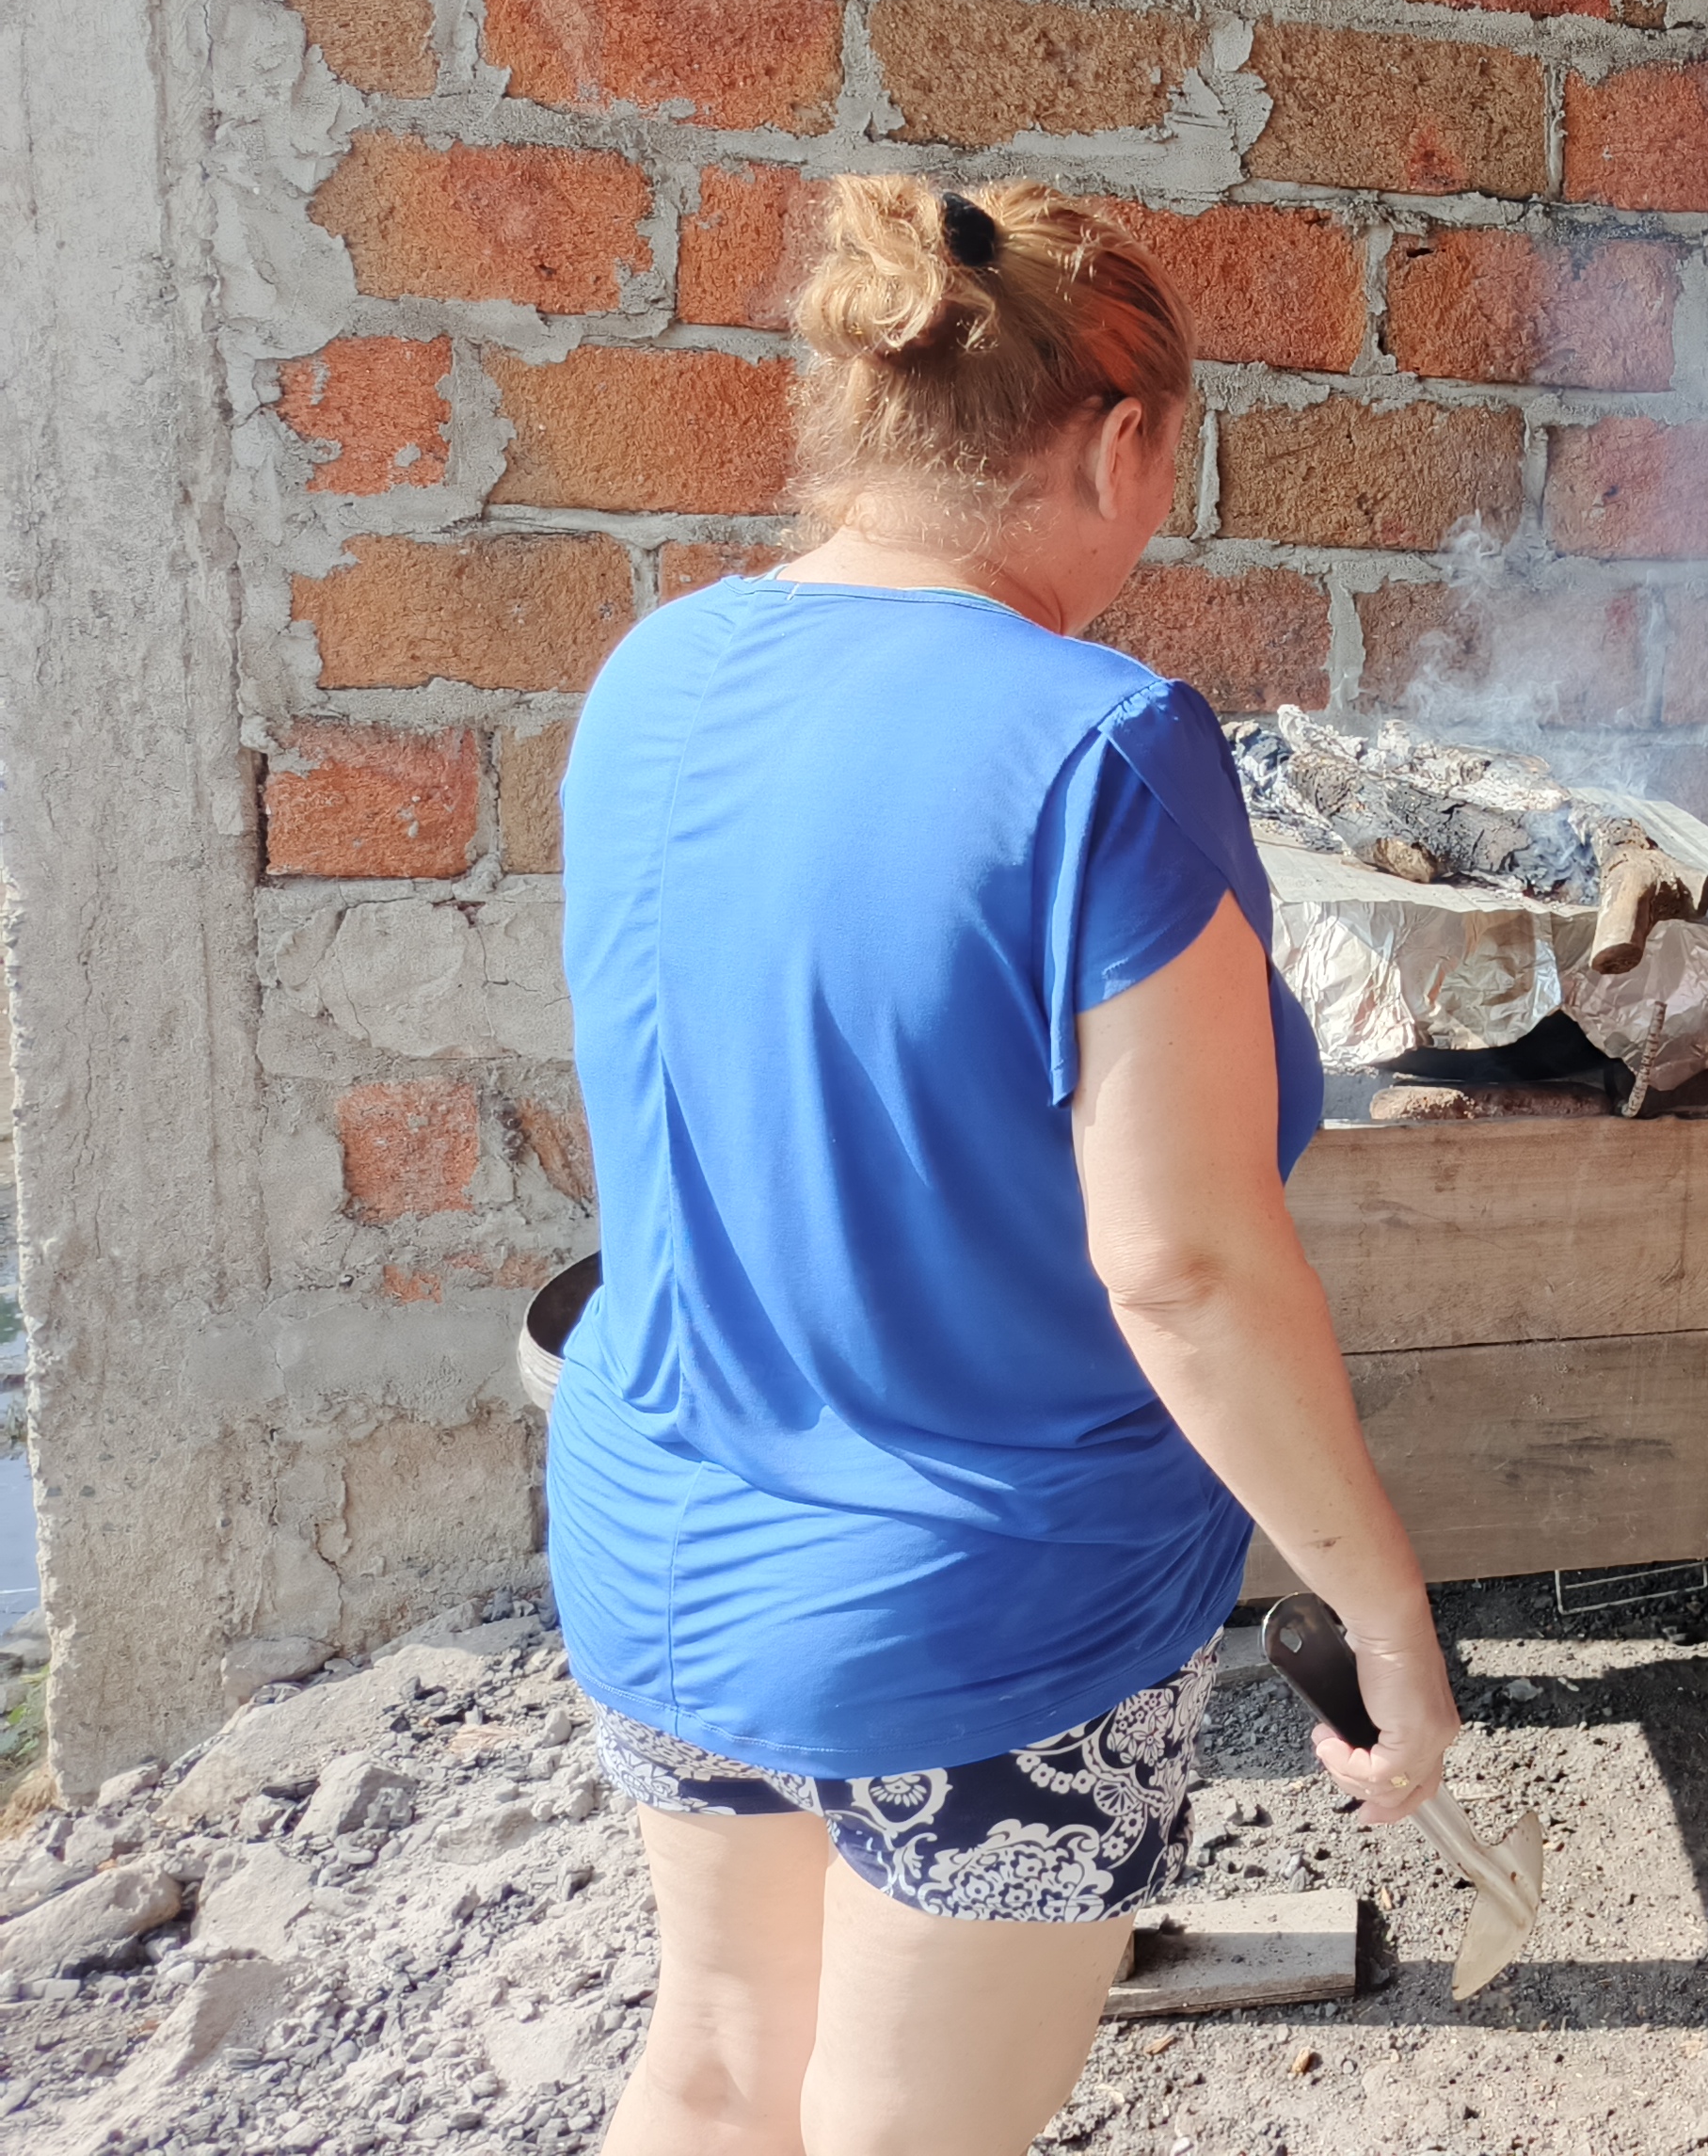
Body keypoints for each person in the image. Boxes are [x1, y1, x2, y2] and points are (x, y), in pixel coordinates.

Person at [550, 178, 1457, 2156]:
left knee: (712, 2069)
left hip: (661, 1550)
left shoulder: (651, 676)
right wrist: (1383, 1615)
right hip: (986, 1612)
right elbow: (1182, 1269)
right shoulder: (1107, 746)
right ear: (1118, 443)